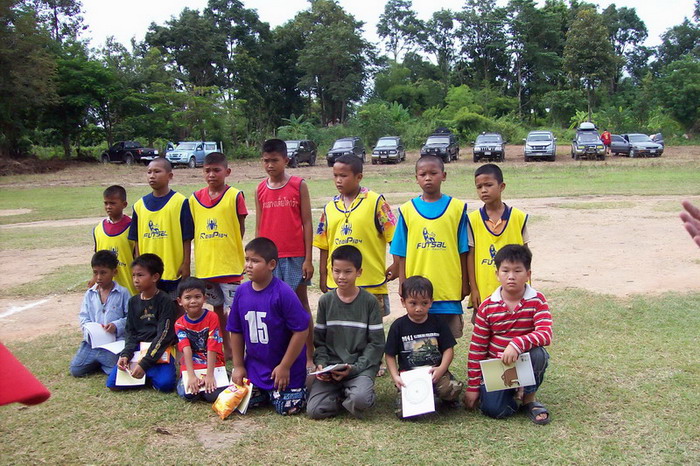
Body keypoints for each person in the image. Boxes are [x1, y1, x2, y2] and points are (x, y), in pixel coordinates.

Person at [464, 245, 552, 425]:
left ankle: (529, 399)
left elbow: (545, 333)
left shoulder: (537, 300)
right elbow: (477, 348)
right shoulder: (488, 306)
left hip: (524, 360)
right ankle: (511, 394)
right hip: (497, 367)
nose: (511, 276)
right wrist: (473, 387)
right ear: (497, 274)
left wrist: (516, 344)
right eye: (505, 271)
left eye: (517, 271)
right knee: (495, 410)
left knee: (539, 354)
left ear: (528, 274)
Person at [227, 237, 309, 415]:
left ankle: (298, 387)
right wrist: (239, 366)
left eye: (255, 261)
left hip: (284, 370)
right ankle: (265, 392)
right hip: (256, 369)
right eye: (247, 259)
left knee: (287, 408)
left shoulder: (283, 293)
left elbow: (301, 330)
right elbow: (236, 330)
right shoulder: (241, 292)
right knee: (240, 402)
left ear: (271, 264)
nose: (249, 265)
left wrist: (285, 366)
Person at [390, 155, 469, 339]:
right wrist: (403, 284)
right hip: (417, 291)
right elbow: (401, 253)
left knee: (448, 336)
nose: (428, 178)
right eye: (422, 174)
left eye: (433, 173)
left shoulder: (456, 209)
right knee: (421, 335)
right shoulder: (408, 210)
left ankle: (444, 368)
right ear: (416, 178)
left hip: (448, 288)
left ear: (444, 175)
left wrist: (465, 283)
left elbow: (464, 250)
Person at [313, 154, 398, 319]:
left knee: (371, 334)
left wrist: (397, 264)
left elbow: (393, 235)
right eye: (335, 175)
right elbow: (324, 244)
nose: (338, 180)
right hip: (338, 284)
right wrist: (323, 274)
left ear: (359, 177)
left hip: (370, 284)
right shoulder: (330, 207)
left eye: (343, 176)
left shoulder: (375, 202)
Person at [307, 245, 385, 419]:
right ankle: (341, 396)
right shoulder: (325, 301)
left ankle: (353, 394)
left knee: (361, 400)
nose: (341, 277)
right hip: (331, 368)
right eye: (336, 271)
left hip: (359, 367)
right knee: (314, 411)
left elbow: (376, 343)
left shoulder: (369, 302)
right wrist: (321, 364)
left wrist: (355, 368)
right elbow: (319, 340)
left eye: (347, 272)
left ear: (359, 272)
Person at [256, 139, 315, 368]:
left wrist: (308, 259)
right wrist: (256, 260)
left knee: (301, 305)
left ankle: (309, 355)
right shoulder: (260, 189)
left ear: (286, 161)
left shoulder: (298, 185)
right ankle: (279, 354)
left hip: (295, 256)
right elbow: (260, 227)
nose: (270, 165)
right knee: (272, 307)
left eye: (274, 160)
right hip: (270, 260)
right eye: (266, 161)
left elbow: (307, 223)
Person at [189, 151, 247, 360]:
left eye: (216, 170)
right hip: (207, 267)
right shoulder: (194, 198)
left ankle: (240, 349)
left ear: (227, 171)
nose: (212, 174)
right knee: (217, 309)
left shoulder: (235, 195)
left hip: (230, 265)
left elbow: (240, 228)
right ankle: (227, 348)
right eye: (207, 170)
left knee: (236, 312)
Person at [385, 276, 463, 418]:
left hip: (435, 373)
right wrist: (395, 376)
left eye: (424, 303)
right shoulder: (398, 326)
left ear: (431, 302)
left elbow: (448, 349)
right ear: (403, 302)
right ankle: (414, 399)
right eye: (413, 303)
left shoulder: (438, 323)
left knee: (451, 389)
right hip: (410, 376)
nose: (419, 308)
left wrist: (441, 369)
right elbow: (389, 354)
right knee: (404, 413)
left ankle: (446, 399)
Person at [106, 253, 177, 392]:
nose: (136, 280)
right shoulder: (133, 302)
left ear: (155, 277)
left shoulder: (165, 301)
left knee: (166, 385)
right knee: (112, 383)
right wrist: (126, 354)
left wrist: (144, 364)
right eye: (133, 275)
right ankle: (144, 375)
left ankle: (145, 373)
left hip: (159, 350)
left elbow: (164, 336)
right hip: (138, 350)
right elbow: (130, 332)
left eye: (140, 275)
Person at [467, 163, 529, 321]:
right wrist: (473, 289)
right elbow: (470, 257)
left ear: (501, 186)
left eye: (489, 185)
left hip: (515, 292)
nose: (484, 190)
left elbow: (526, 257)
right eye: (479, 186)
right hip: (484, 291)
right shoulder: (472, 220)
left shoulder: (518, 217)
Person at [128, 158, 194, 298]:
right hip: (148, 271)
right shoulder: (139, 205)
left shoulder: (180, 202)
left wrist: (186, 264)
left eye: (157, 171)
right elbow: (136, 240)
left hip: (173, 268)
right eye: (149, 172)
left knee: (176, 306)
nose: (152, 175)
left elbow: (186, 237)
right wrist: (139, 266)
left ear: (170, 176)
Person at [70, 250, 130, 377]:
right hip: (93, 343)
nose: (98, 277)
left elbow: (130, 317)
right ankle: (98, 360)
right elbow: (84, 317)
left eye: (103, 273)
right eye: (95, 273)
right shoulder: (90, 294)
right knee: (76, 369)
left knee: (114, 370)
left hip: (114, 342)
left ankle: (101, 362)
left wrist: (116, 325)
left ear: (114, 272)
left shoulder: (123, 293)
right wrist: (90, 331)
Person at [174, 277, 227, 402]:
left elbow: (212, 346)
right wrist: (191, 376)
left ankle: (221, 377)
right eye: (188, 297)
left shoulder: (212, 317)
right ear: (180, 301)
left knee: (212, 395)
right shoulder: (179, 324)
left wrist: (209, 375)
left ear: (204, 298)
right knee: (189, 394)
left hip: (213, 362)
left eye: (197, 297)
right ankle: (186, 381)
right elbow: (186, 350)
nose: (193, 301)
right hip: (192, 364)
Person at [92, 185, 137, 295]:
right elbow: (98, 260)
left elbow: (138, 258)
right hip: (107, 292)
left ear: (124, 204)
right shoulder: (98, 229)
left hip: (130, 289)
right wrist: (94, 278)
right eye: (106, 203)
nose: (108, 207)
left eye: (112, 203)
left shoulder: (133, 227)